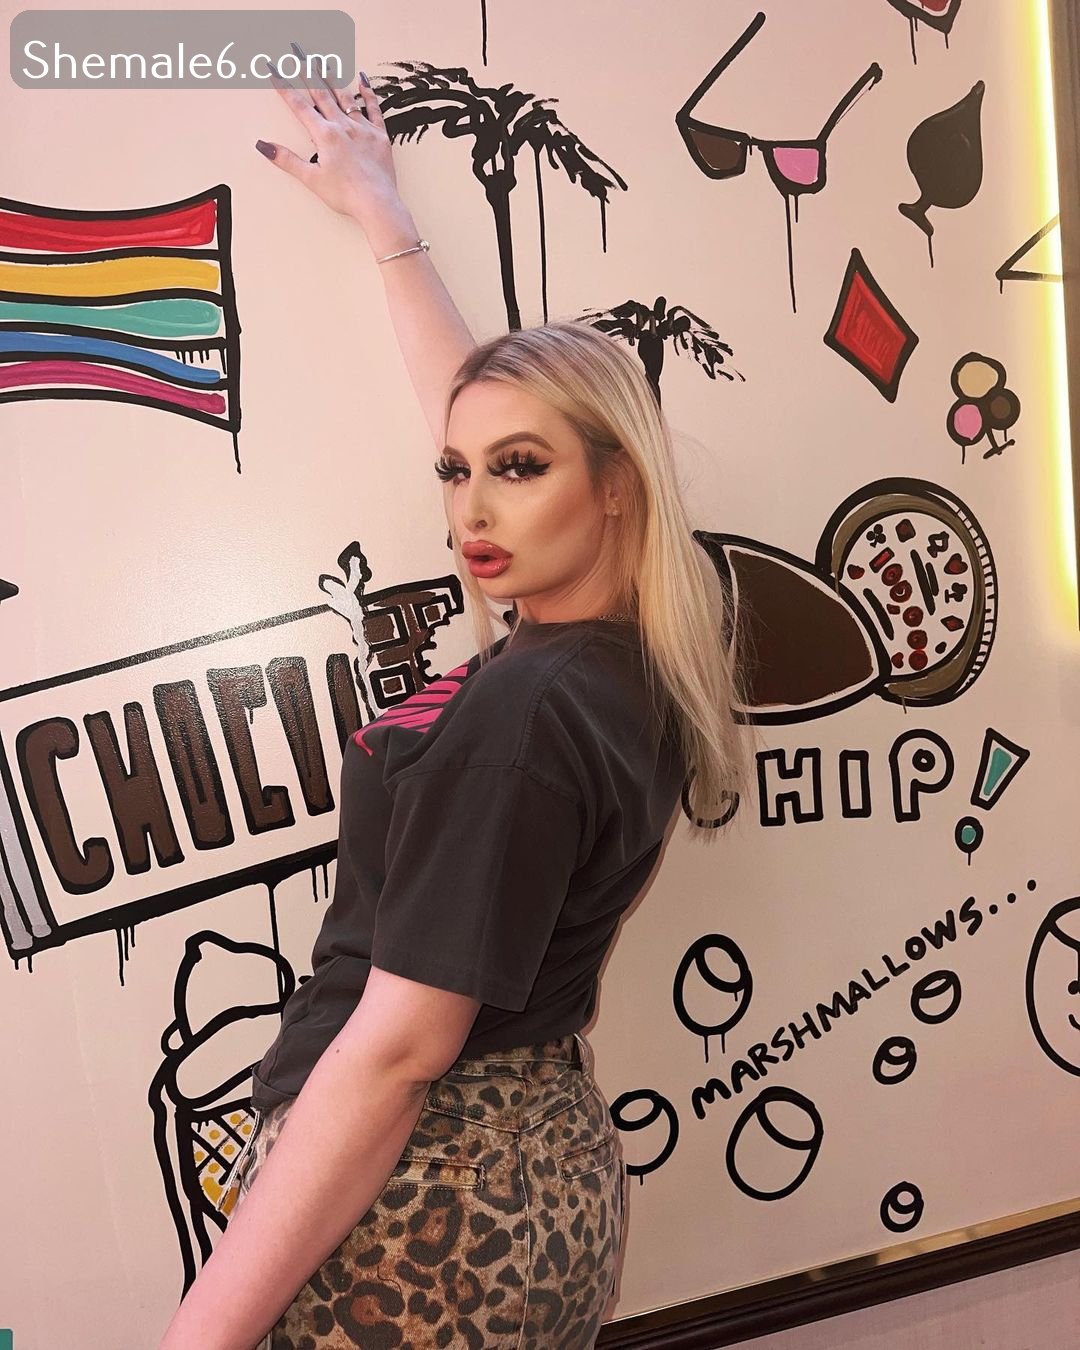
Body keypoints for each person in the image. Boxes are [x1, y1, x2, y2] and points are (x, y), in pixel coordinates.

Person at [158, 57, 748, 1350]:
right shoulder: (638, 646)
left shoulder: (529, 711)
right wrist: (386, 222)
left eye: (515, 471)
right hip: (525, 1170)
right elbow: (500, 421)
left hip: (427, 1200)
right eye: (453, 471)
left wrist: (195, 1339)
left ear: (616, 486)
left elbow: (397, 1051)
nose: (470, 508)